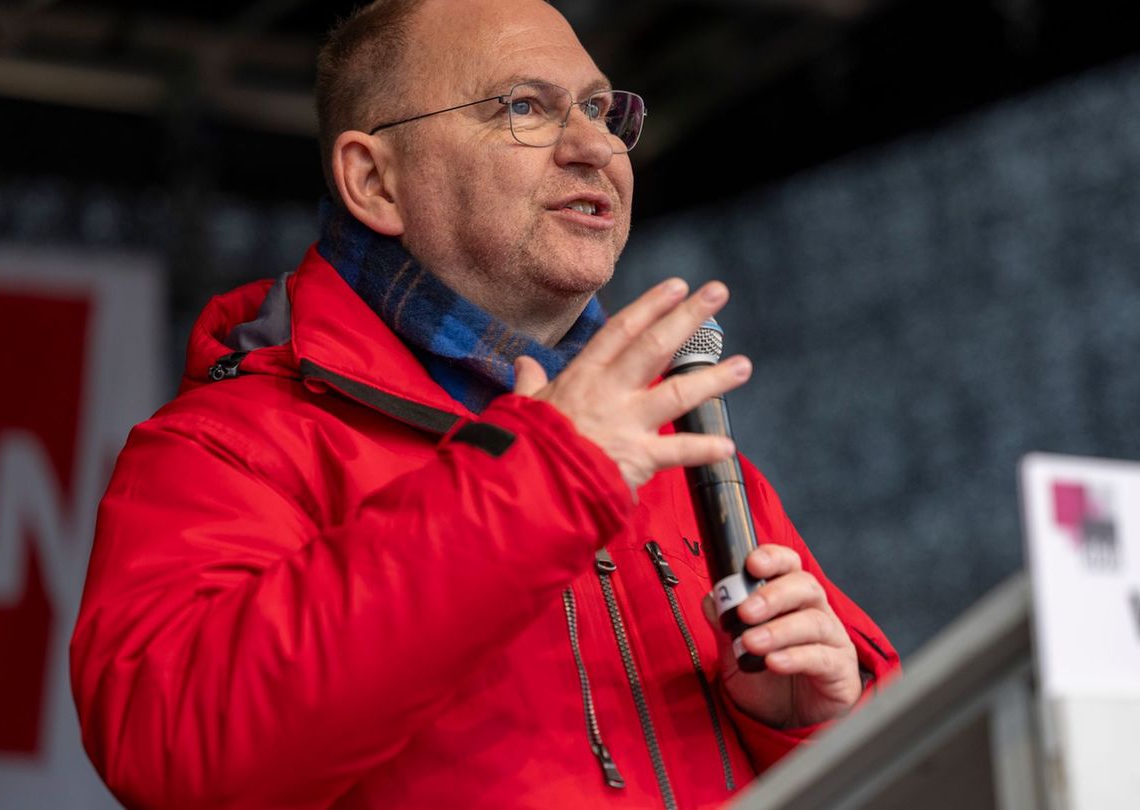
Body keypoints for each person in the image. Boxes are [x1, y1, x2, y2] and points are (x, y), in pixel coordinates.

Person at [69, 0, 899, 807]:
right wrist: (540, 476)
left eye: (604, 112)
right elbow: (176, 746)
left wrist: (813, 727)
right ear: (373, 180)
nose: (593, 148)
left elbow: (931, 749)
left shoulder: (678, 438)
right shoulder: (226, 446)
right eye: (525, 107)